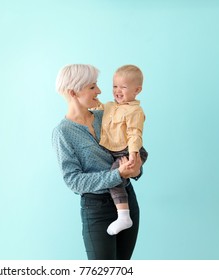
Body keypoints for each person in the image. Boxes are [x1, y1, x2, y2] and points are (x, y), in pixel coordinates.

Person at [52, 64, 144, 260]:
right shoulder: (63, 132)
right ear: (73, 92)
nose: (100, 91)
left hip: (127, 200)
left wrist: (136, 167)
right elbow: (74, 182)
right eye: (92, 87)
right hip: (97, 209)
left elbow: (135, 149)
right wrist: (117, 174)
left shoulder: (106, 115)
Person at [97, 65, 148, 235]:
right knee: (120, 177)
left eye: (123, 87)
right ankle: (122, 211)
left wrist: (133, 154)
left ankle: (124, 216)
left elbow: (135, 133)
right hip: (115, 151)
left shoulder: (135, 111)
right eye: (114, 86)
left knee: (115, 176)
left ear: (137, 90)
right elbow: (96, 112)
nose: (118, 91)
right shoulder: (109, 106)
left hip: (127, 151)